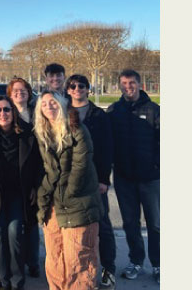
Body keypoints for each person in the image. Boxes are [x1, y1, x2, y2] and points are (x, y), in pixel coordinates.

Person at [34, 91, 101, 290]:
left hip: (77, 201)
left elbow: (81, 165)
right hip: (52, 203)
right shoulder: (42, 134)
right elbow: (47, 170)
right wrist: (43, 197)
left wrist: (69, 193)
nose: (49, 107)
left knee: (79, 259)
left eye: (53, 102)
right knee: (54, 258)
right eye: (44, 104)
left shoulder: (77, 129)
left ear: (62, 104)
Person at [0, 95, 44, 290]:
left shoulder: (27, 135)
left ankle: (17, 282)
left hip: (19, 194)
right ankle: (3, 281)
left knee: (15, 233)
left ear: (13, 112)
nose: (3, 114)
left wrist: (35, 187)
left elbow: (37, 165)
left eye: (7, 109)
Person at [107, 69, 160, 283]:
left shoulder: (154, 110)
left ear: (140, 84)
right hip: (124, 178)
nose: (128, 87)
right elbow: (108, 141)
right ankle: (136, 260)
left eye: (132, 83)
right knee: (130, 223)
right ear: (120, 86)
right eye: (124, 83)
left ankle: (157, 264)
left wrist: (157, 164)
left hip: (149, 177)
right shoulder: (114, 110)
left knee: (155, 223)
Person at [66, 74, 116, 288]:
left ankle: (108, 268)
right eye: (73, 86)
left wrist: (104, 179)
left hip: (95, 179)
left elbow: (107, 149)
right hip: (71, 179)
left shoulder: (98, 115)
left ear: (88, 89)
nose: (77, 89)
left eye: (82, 86)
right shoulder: (63, 113)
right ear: (68, 90)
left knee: (102, 224)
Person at [6, 77, 40, 278]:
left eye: (23, 90)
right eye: (15, 91)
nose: (19, 93)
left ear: (29, 93)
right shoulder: (5, 115)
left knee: (32, 223)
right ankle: (18, 263)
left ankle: (33, 261)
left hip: (31, 179)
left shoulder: (37, 115)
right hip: (12, 181)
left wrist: (37, 183)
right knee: (16, 226)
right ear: (10, 95)